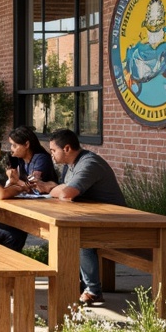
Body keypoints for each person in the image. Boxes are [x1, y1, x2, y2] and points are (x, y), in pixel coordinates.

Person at [32, 128, 127, 305]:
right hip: (94, 217)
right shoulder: (70, 165)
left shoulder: (89, 163)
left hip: (116, 221)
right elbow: (64, 189)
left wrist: (48, 188)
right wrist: (55, 188)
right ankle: (74, 285)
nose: (51, 154)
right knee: (63, 235)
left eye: (53, 150)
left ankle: (92, 290)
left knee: (79, 238)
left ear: (66, 149)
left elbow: (66, 193)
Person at [5, 125, 56, 193]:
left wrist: (16, 181)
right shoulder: (18, 158)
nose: (11, 148)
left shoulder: (41, 159)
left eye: (14, 145)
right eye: (11, 145)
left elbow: (34, 186)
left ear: (26, 145)